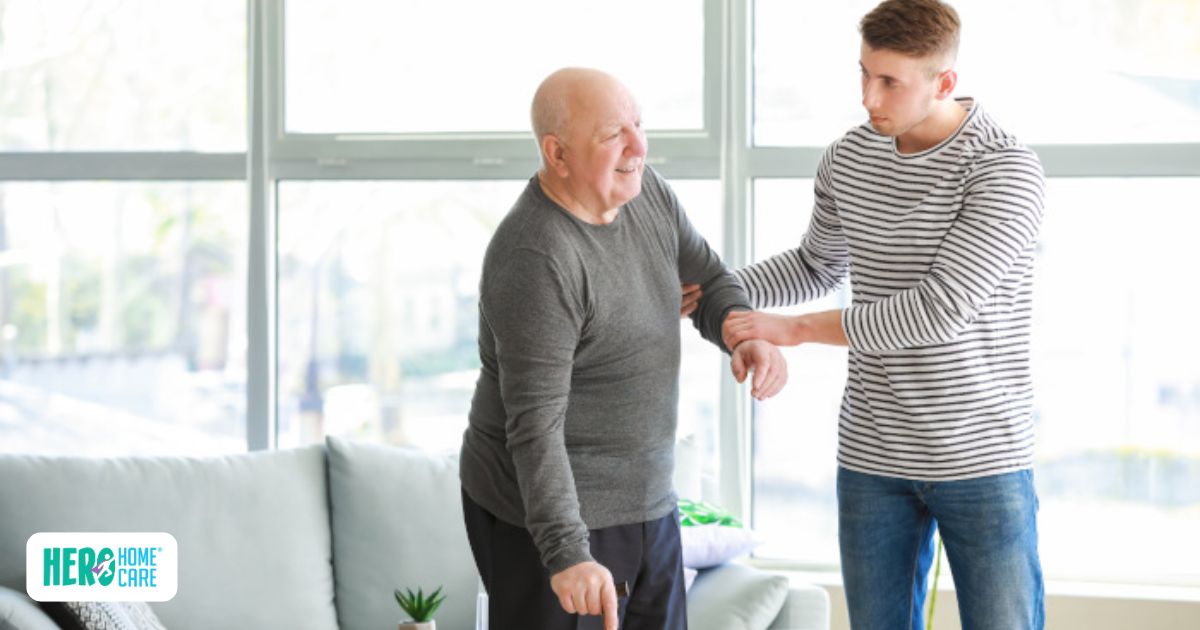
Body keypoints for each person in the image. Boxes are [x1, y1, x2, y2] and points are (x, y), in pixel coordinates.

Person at [720, 1, 1046, 628]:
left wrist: (793, 331)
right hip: (873, 452)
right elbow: (817, 265)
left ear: (943, 82)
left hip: (979, 456)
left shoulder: (1004, 168)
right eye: (864, 73)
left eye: (890, 81)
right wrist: (713, 290)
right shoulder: (849, 158)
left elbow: (937, 311)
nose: (869, 96)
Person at [459, 67, 788, 630]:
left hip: (649, 501)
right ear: (557, 154)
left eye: (638, 125)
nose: (638, 146)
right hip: (546, 515)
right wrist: (566, 553)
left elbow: (707, 277)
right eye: (614, 134)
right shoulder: (535, 257)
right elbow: (535, 428)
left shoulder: (644, 192)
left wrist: (739, 329)